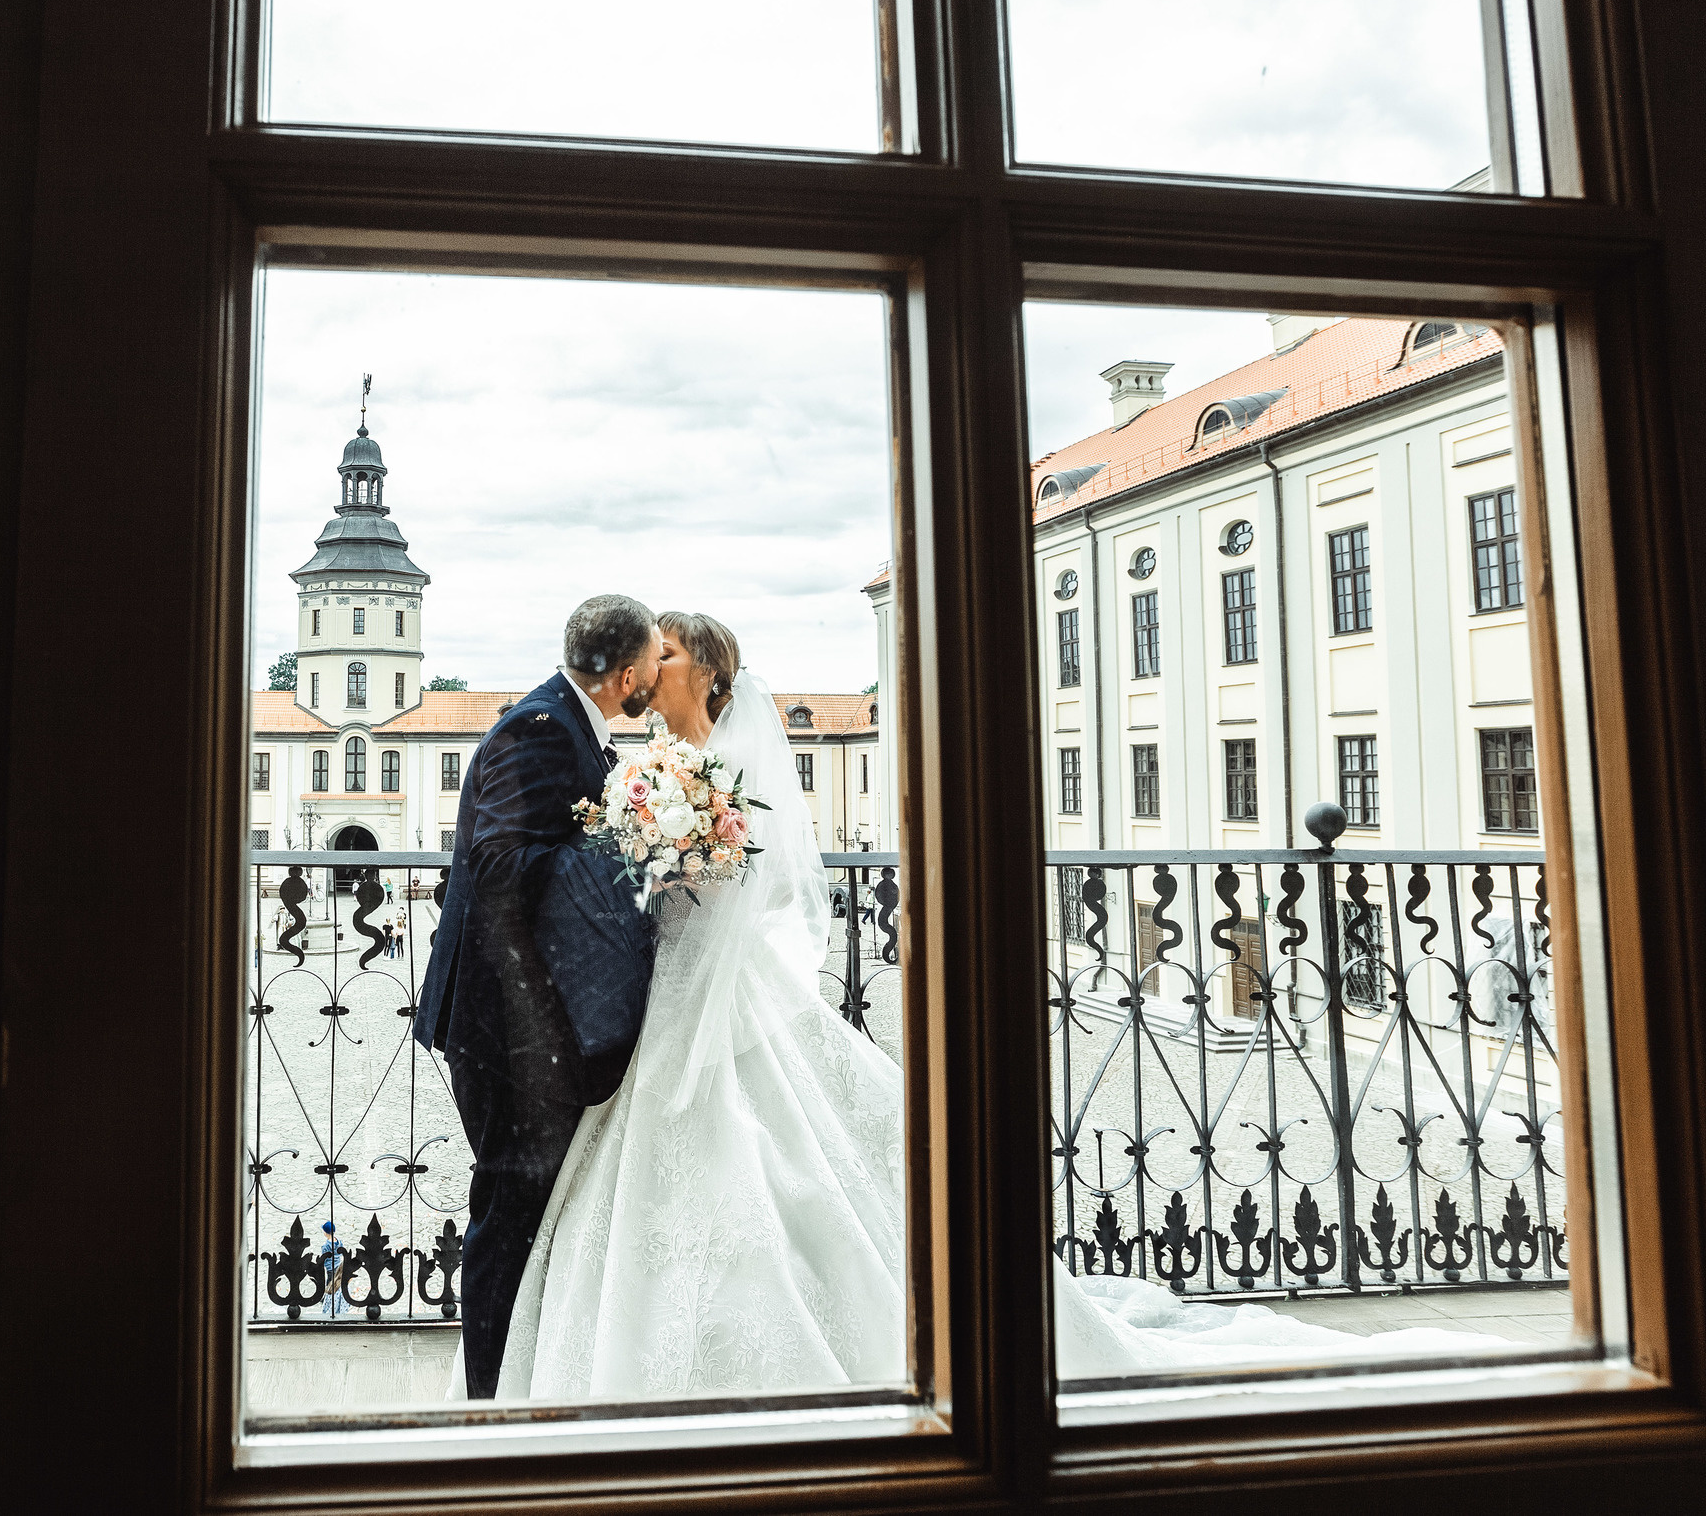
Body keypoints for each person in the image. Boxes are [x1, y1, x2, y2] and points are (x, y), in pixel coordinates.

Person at [489, 612, 1519, 1400]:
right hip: (682, 993)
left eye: (664, 651)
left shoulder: (709, 766)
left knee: (778, 1164)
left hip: (719, 995)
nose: (649, 666)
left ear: (702, 670)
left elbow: (722, 884)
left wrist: (662, 855)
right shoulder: (659, 767)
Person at [412, 594, 665, 1399]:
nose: (659, 675)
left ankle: (521, 1386)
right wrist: (624, 846)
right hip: (506, 1027)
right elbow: (496, 871)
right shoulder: (539, 730)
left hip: (530, 1021)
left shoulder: (569, 727)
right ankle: (488, 1412)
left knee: (529, 1211)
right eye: (655, 661)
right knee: (506, 1215)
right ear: (627, 674)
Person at [315, 1220, 350, 1320]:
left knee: (329, 1282)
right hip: (338, 1265)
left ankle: (328, 1297)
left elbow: (324, 1258)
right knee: (336, 1280)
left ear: (326, 1233)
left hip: (330, 1267)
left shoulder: (326, 1246)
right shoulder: (338, 1241)